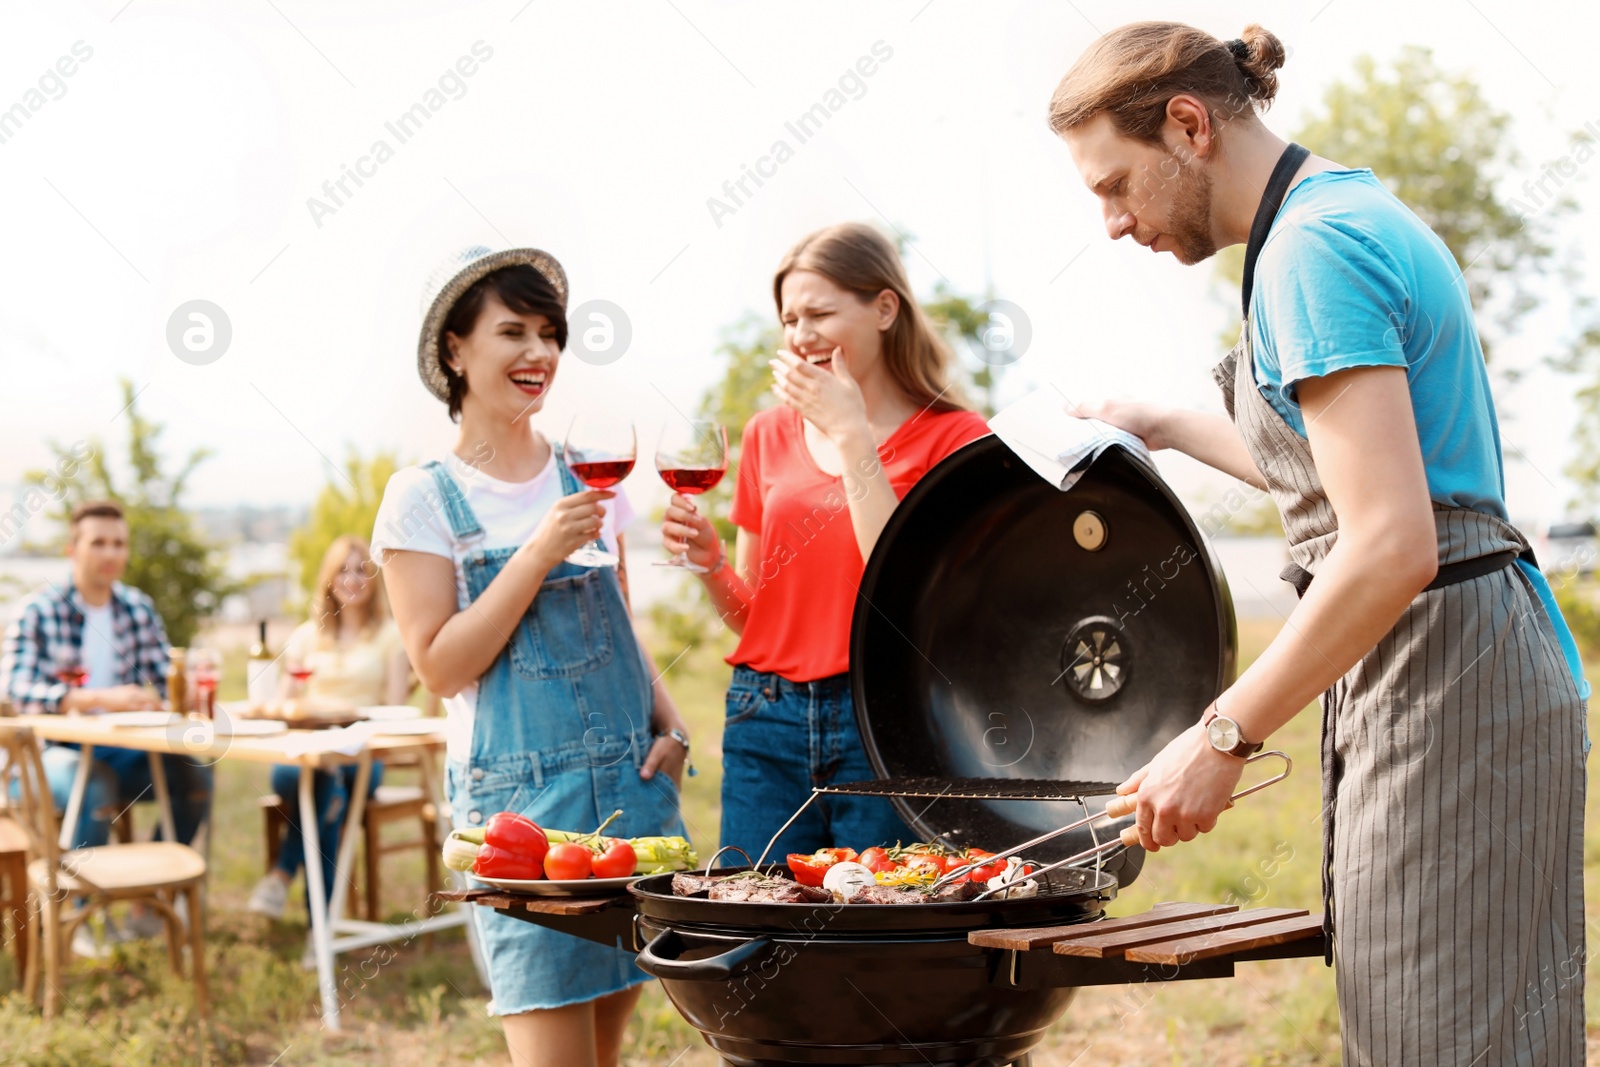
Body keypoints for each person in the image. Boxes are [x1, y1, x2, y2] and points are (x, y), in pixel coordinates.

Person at [1047, 22, 1587, 1065]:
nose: (1112, 223)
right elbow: (1349, 478)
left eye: (1113, 185)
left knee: (1435, 1034)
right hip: (1458, 656)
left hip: (1444, 667)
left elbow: (1388, 542)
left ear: (1188, 126)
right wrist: (1157, 425)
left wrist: (1220, 736)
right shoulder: (1335, 214)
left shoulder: (1312, 253)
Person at [373, 245, 688, 1067]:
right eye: (512, 331)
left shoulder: (588, 478)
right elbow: (441, 667)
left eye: (550, 334)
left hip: (628, 793)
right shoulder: (422, 497)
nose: (539, 354)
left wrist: (672, 721)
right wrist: (535, 553)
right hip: (519, 811)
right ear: (455, 350)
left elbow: (618, 623)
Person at [661, 222, 989, 862]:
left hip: (885, 718)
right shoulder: (766, 435)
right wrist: (710, 566)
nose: (800, 335)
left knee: (871, 930)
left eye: (819, 313)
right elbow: (754, 619)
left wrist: (852, 436)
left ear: (885, 308)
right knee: (751, 927)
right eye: (789, 319)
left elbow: (914, 601)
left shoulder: (955, 439)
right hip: (766, 716)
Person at [1, 498, 214, 953]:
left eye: (119, 543)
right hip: (44, 755)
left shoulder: (136, 608)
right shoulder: (37, 611)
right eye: (98, 542)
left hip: (117, 747)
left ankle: (147, 902)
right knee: (95, 783)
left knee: (195, 776)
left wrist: (174, 695)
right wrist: (97, 697)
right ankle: (82, 917)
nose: (110, 553)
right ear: (72, 550)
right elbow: (15, 690)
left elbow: (162, 678)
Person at [247, 536, 410, 923]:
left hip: (362, 755)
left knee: (331, 783)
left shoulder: (391, 635)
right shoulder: (306, 635)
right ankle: (321, 927)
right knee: (319, 783)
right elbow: (285, 705)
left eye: (361, 570)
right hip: (302, 754)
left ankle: (285, 879)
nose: (353, 579)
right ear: (328, 579)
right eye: (343, 570)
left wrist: (350, 714)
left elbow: (396, 712)